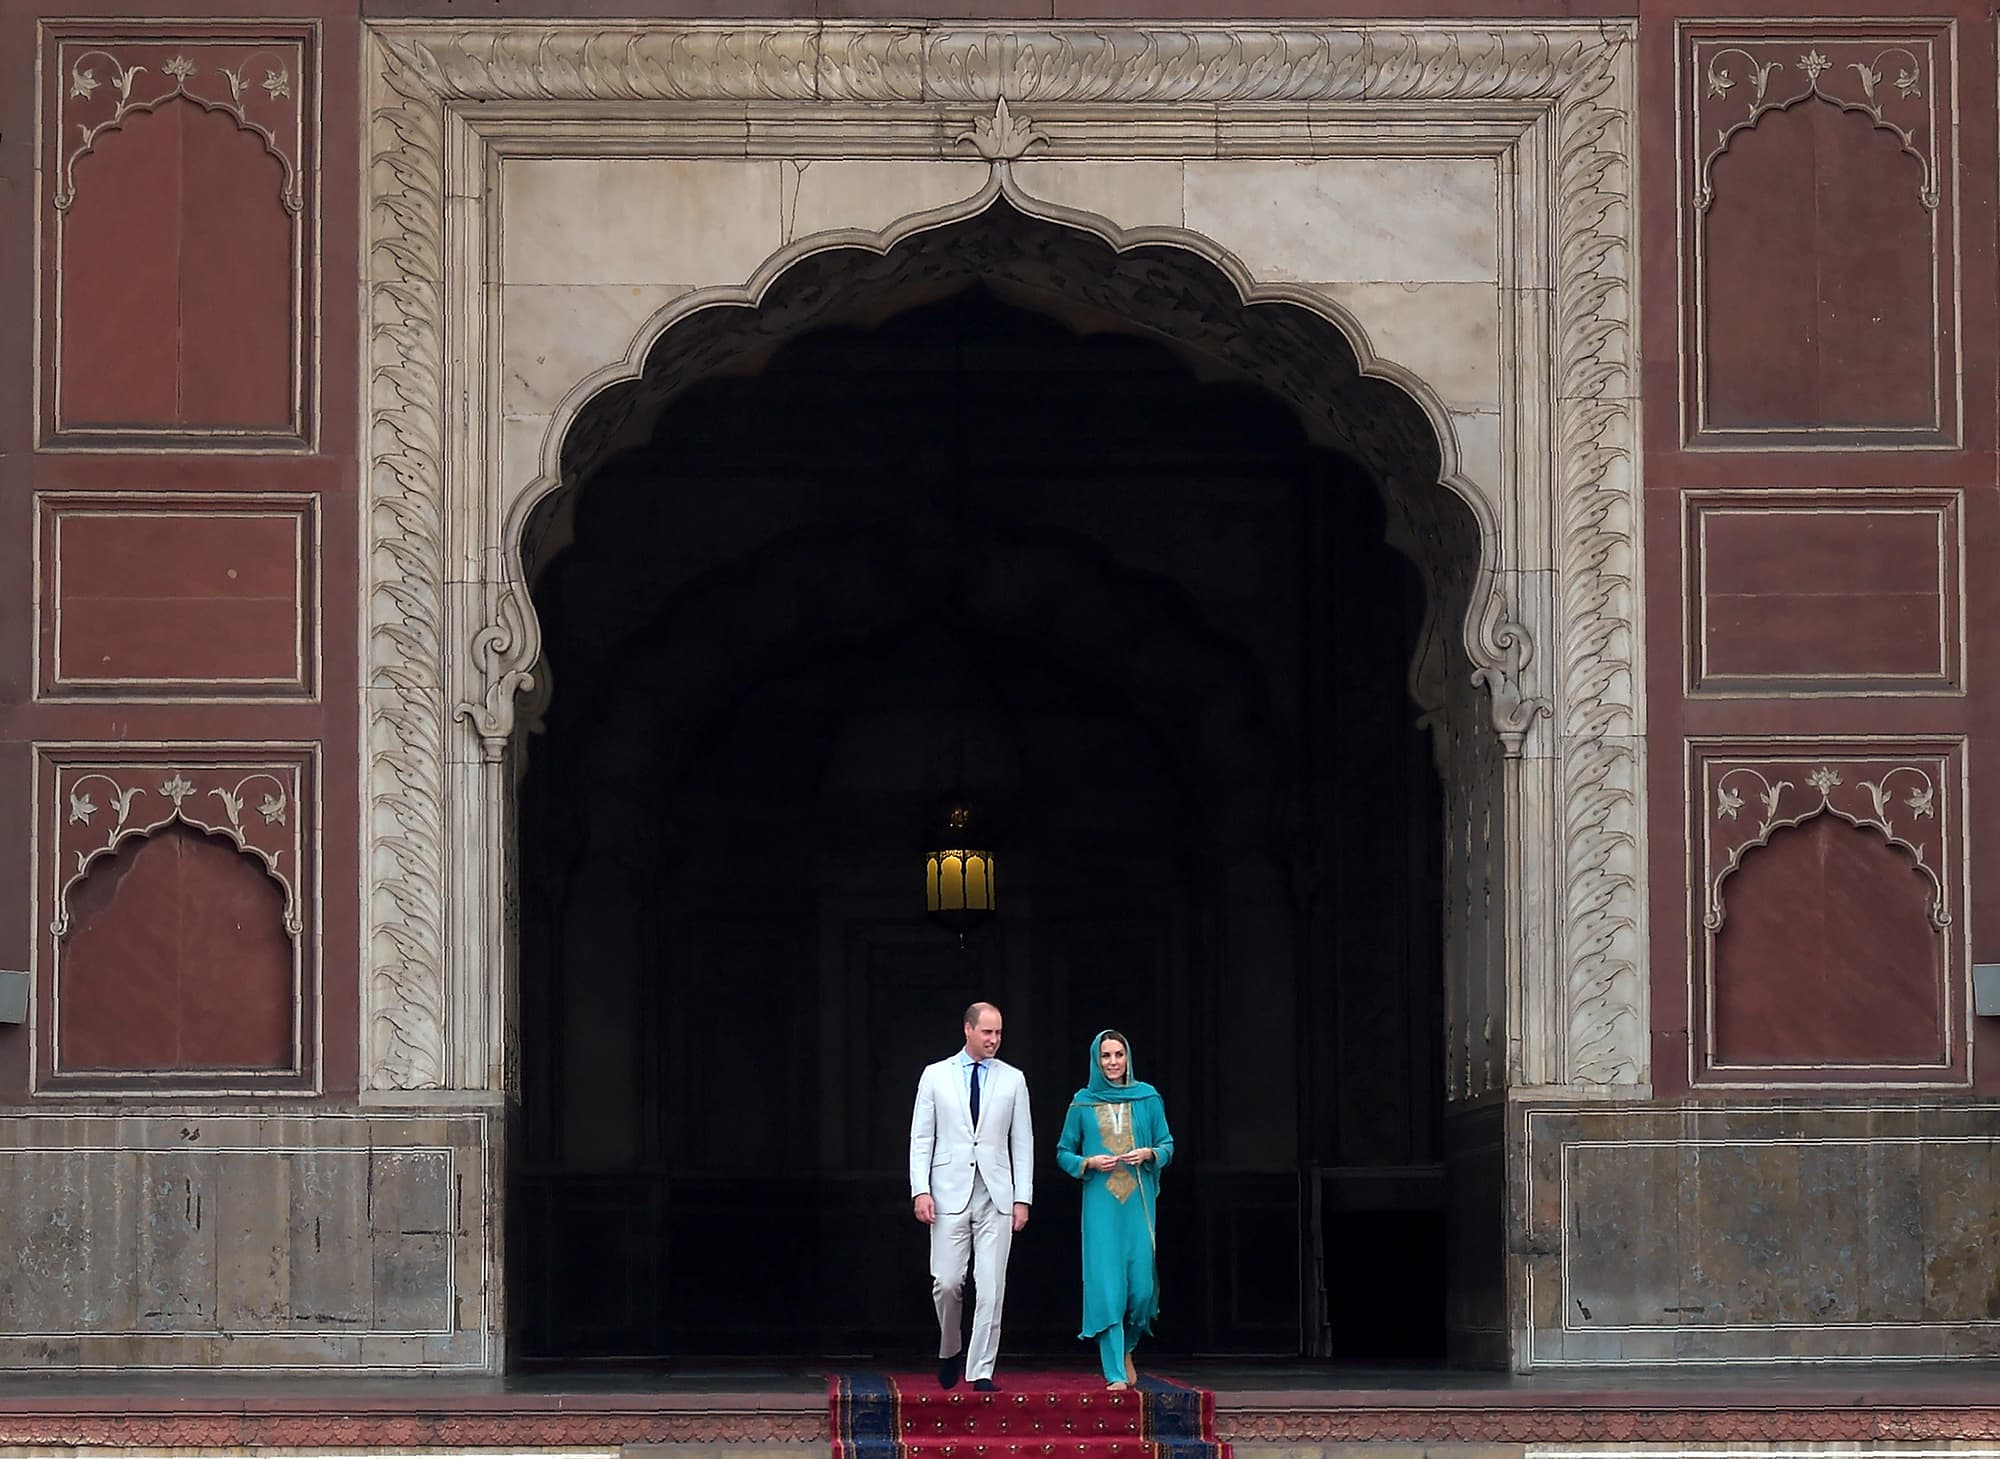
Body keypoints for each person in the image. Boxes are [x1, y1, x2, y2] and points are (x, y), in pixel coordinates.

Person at [910, 1001, 1034, 1392]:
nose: (994, 1040)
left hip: (996, 1192)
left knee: (991, 1286)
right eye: (987, 1032)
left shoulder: (1013, 1079)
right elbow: (921, 1137)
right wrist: (921, 1190)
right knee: (946, 1281)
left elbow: (1023, 1142)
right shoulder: (935, 1075)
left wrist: (1022, 1198)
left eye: (998, 1033)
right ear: (968, 1030)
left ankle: (980, 1368)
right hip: (948, 1192)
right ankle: (950, 1349)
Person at [1055, 1028, 1174, 1390]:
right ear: (1096, 1060)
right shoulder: (1082, 1103)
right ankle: (1115, 1373)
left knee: (1140, 1290)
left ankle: (1128, 1346)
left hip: (1137, 1205)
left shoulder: (1148, 1098)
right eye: (1105, 1056)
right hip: (1101, 1208)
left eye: (1118, 1055)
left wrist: (1151, 1153)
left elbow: (1167, 1143)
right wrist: (1087, 1163)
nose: (1112, 1063)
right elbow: (1063, 1153)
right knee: (1108, 1287)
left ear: (1127, 1059)